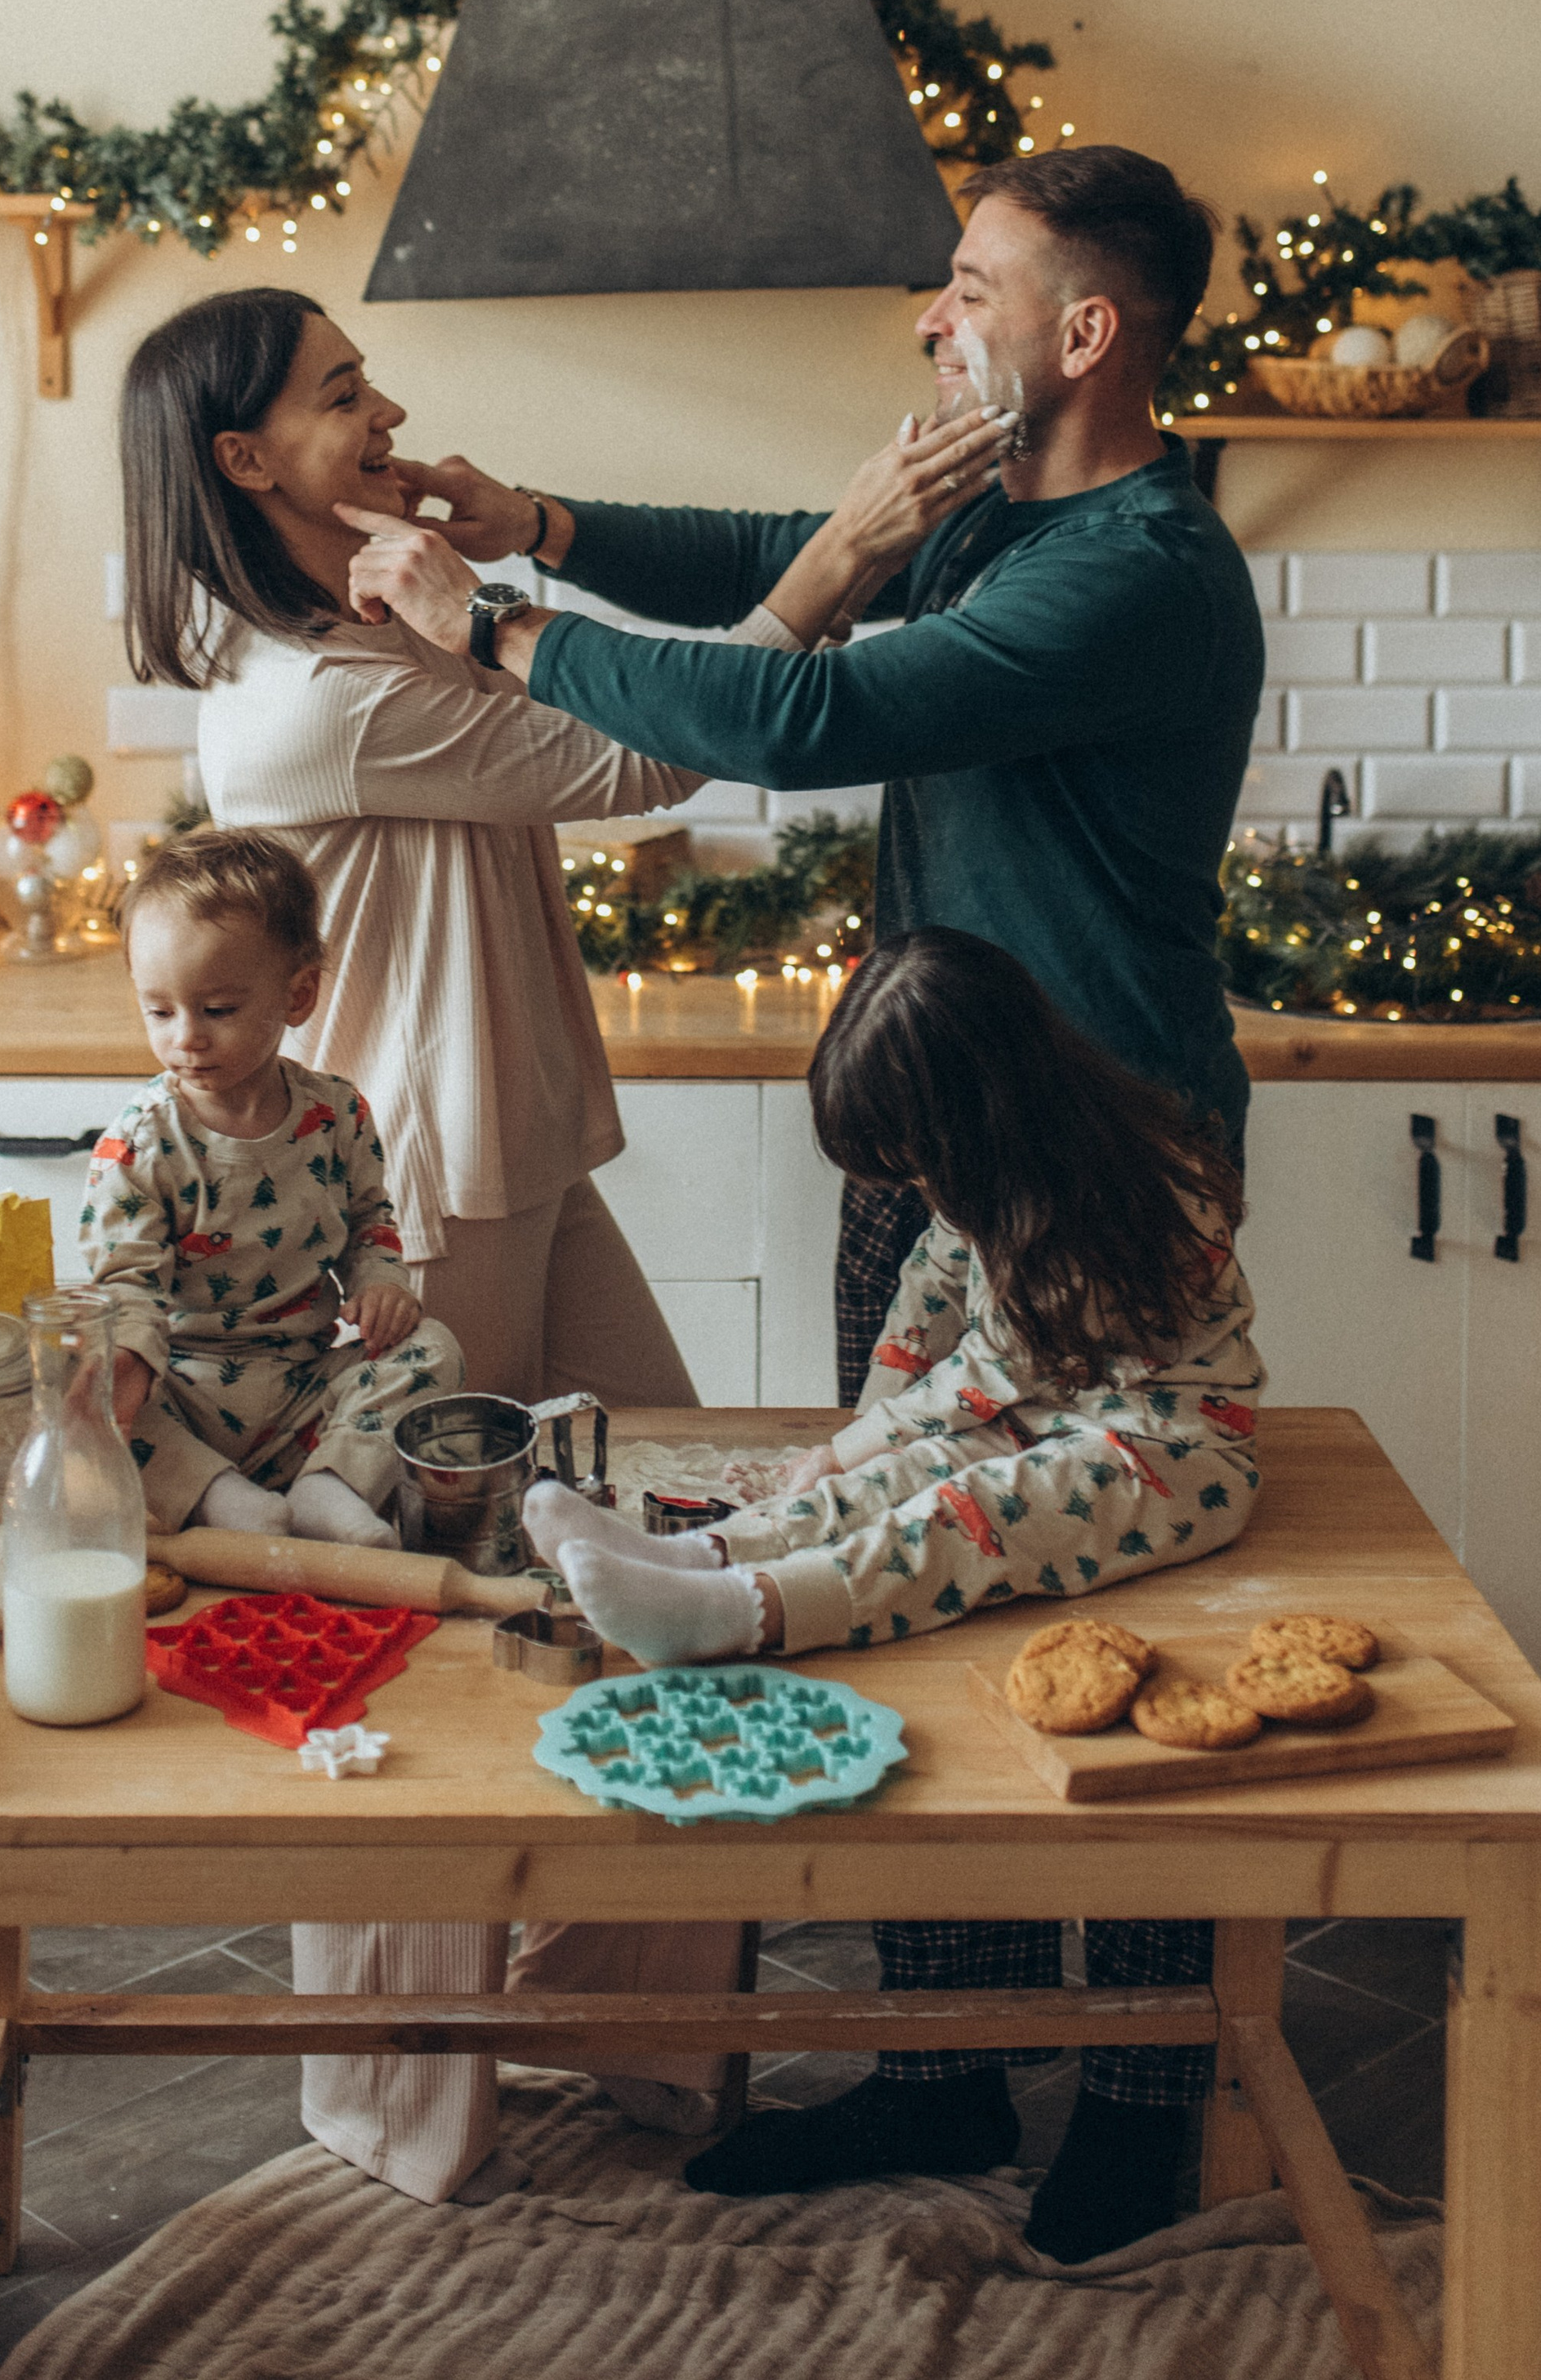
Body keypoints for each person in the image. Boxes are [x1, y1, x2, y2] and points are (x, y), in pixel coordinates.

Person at [117, 285, 747, 2208]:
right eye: (337, 394)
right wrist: (854, 552)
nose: (382, 408)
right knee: (393, 1636)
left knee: (656, 1550)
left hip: (517, 1160)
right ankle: (388, 2103)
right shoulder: (324, 686)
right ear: (244, 460)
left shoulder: (358, 630)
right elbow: (656, 759)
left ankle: (614, 2020)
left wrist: (490, 565)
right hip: (419, 1199)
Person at [338, 142, 1264, 1391]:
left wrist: (497, 623)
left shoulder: (1137, 569)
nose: (934, 321)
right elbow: (779, 551)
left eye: (974, 289)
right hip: (942, 1106)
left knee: (1062, 1513)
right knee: (895, 1483)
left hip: (1099, 1130)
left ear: (1087, 332)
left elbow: (805, 717)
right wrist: (541, 524)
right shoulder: (998, 502)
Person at [528, 927, 1265, 2263]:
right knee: (890, 1477)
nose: (917, 1192)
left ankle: (738, 1613)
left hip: (1161, 1452)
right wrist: (808, 1484)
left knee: (953, 1517)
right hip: (1036, 1413)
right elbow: (914, 1371)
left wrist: (877, 1457)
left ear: (982, 1126)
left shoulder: (1144, 1176)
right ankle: (705, 1565)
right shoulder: (973, 1200)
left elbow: (977, 1402)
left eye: (922, 1165)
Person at [82, 828, 462, 1550]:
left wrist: (384, 1280)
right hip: (180, 1396)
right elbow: (124, 1281)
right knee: (80, 1394)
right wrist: (124, 1366)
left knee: (436, 1349)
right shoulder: (139, 1141)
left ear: (298, 993)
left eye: (216, 1009)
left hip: (303, 1390)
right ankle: (221, 1498)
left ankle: (333, 1485)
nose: (185, 1037)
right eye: (159, 1011)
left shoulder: (336, 1113)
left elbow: (371, 1220)